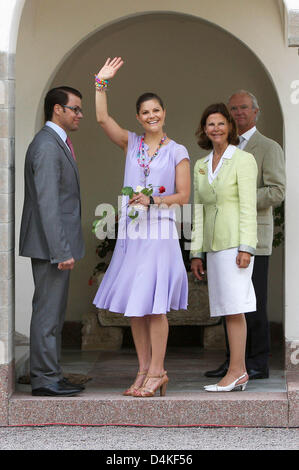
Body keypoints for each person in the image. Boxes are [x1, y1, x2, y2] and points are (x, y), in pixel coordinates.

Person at [93, 57, 190, 397]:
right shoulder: (131, 143)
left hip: (159, 232)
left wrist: (154, 201)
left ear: (164, 113)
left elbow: (184, 195)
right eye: (145, 112)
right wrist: (100, 83)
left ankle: (159, 370)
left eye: (156, 111)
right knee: (137, 306)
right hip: (133, 233)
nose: (151, 116)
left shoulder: (177, 150)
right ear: (138, 117)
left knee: (155, 305)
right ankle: (143, 369)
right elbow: (102, 118)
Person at [205, 90, 285, 380]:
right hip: (224, 238)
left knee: (254, 304)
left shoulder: (268, 147)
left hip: (255, 240)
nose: (238, 113)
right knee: (230, 303)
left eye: (243, 108)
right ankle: (232, 362)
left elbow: (277, 191)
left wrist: (240, 196)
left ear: (256, 111)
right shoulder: (223, 148)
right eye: (233, 109)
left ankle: (258, 362)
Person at [19, 86, 85, 396]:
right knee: (47, 312)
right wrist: (61, 250)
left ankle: (52, 374)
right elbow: (48, 203)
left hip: (55, 245)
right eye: (75, 109)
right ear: (57, 109)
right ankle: (44, 379)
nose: (79, 115)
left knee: (54, 312)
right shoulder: (47, 145)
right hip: (50, 247)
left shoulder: (57, 143)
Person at [191, 103, 258, 392]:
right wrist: (196, 252)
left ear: (230, 126)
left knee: (235, 309)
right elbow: (198, 211)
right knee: (225, 309)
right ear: (204, 129)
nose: (215, 128)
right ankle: (238, 371)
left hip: (236, 245)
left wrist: (247, 247)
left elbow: (248, 207)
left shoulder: (243, 160)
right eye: (210, 124)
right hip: (213, 247)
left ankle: (237, 371)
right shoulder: (201, 165)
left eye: (220, 123)